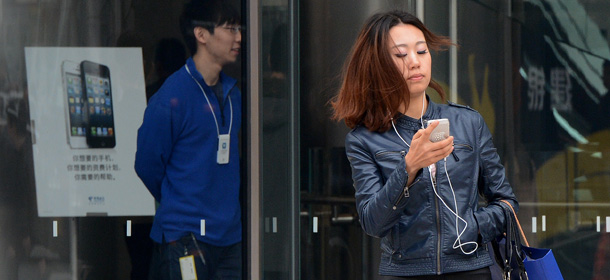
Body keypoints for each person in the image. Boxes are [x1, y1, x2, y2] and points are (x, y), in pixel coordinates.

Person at [330, 10, 518, 279]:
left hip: (470, 268)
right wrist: (408, 168)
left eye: (421, 51)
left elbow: (506, 201)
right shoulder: (364, 139)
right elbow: (372, 222)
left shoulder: (468, 122)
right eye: (400, 55)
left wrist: (472, 226)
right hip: (405, 272)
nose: (415, 62)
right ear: (378, 64)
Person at [134, 0, 243, 279]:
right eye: (230, 29)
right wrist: (179, 198)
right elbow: (147, 163)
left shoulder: (235, 94)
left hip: (231, 238)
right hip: (185, 236)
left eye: (238, 28)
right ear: (201, 35)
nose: (238, 37)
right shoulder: (172, 96)